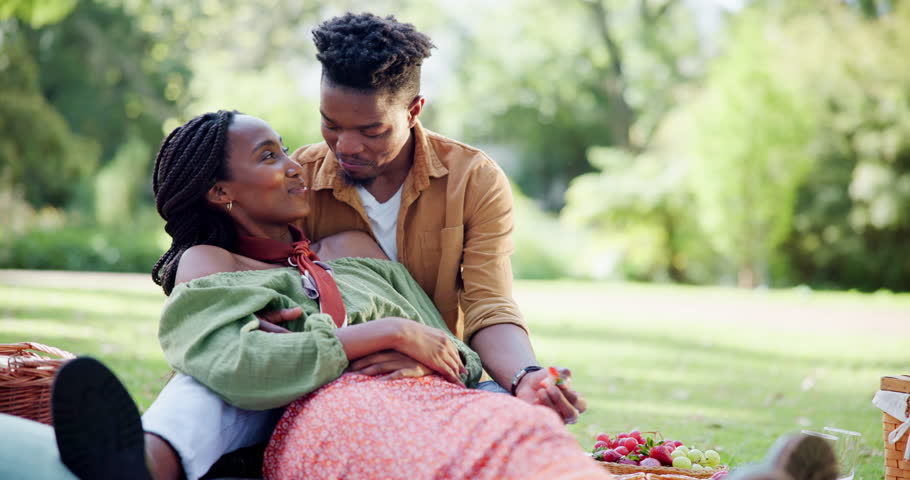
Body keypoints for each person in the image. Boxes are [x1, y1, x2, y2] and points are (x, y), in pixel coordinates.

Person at [137, 12, 586, 480]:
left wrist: (513, 374)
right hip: (308, 395)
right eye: (330, 125)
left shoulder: (466, 182)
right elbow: (226, 346)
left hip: (419, 382)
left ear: (413, 111)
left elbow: (483, 312)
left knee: (512, 422)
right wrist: (369, 335)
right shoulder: (293, 189)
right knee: (205, 391)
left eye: (371, 131)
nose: (345, 147)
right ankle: (133, 460)